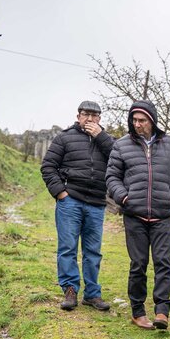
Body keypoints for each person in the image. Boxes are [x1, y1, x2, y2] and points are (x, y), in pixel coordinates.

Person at [106, 100, 170, 330]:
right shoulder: (121, 145)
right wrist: (124, 197)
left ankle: (162, 311)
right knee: (138, 264)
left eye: (142, 120)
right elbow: (112, 177)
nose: (137, 124)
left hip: (162, 215)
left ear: (152, 121)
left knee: (163, 263)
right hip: (135, 215)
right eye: (134, 120)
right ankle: (138, 311)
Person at [41, 100, 115, 311]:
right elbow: (48, 166)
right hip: (70, 201)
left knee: (93, 251)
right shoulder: (64, 138)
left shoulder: (107, 140)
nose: (89, 119)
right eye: (85, 114)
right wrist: (61, 193)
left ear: (99, 118)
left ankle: (92, 294)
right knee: (68, 248)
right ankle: (70, 290)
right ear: (78, 116)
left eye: (94, 115)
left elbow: (119, 160)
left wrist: (100, 136)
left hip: (96, 203)